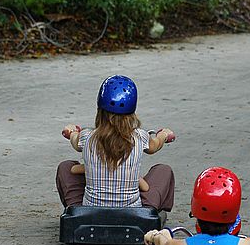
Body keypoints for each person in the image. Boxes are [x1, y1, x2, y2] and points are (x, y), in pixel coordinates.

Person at [56, 75, 174, 212]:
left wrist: (71, 131)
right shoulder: (140, 136)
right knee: (163, 170)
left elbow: (75, 141)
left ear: (100, 110)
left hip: (91, 210)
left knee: (66, 167)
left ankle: (75, 212)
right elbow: (155, 146)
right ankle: (150, 214)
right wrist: (164, 135)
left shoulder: (87, 136)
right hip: (132, 212)